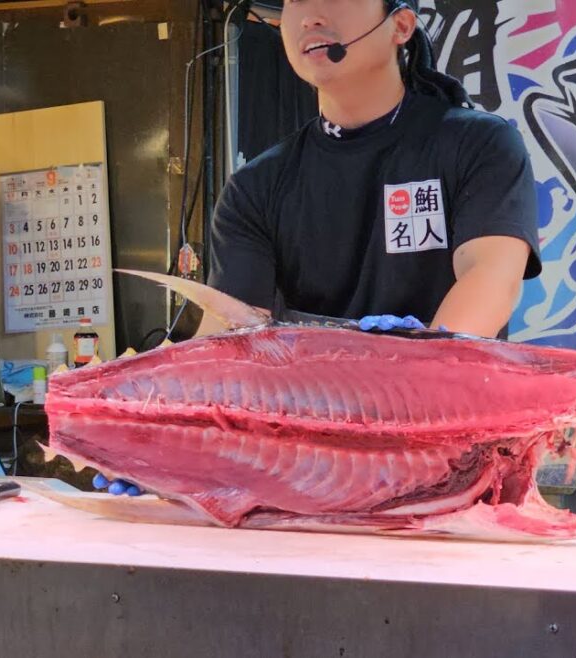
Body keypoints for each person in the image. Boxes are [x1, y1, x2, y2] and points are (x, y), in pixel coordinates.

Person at [96, 0, 540, 496]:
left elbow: (489, 278)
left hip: (456, 470)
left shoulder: (479, 145)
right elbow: (231, 334)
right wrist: (152, 434)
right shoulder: (256, 187)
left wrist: (401, 419)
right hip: (308, 473)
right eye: (294, 2)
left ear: (400, 25)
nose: (309, 15)